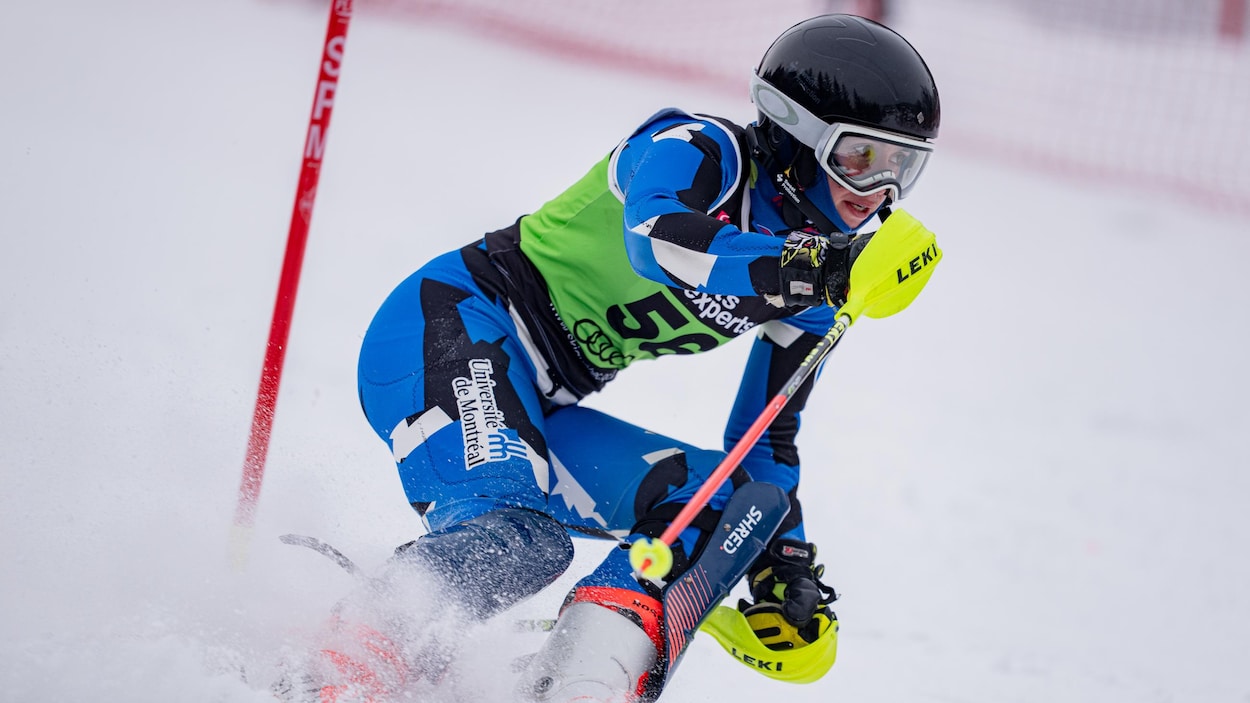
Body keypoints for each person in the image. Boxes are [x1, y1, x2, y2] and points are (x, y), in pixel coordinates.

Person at [281, 13, 941, 703]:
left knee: (731, 507)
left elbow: (767, 438)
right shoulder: (697, 148)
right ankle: (348, 655)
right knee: (519, 535)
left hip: (537, 401)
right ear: (796, 132)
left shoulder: (816, 283)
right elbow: (659, 241)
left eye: (904, 169)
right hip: (452, 324)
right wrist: (818, 266)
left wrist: (786, 562)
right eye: (860, 158)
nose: (877, 194)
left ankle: (582, 678)